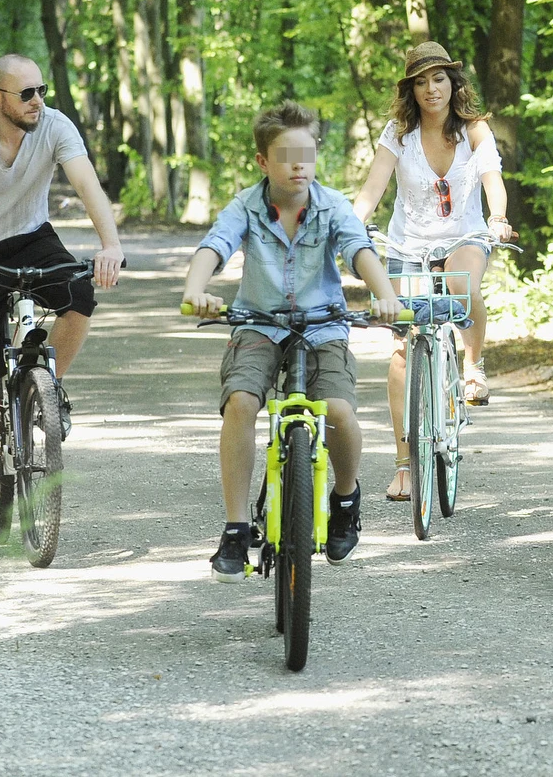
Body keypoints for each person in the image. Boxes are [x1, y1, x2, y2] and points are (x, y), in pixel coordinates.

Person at [182, 100, 401, 580]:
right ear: (263, 161)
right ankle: (236, 528)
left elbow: (358, 250)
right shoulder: (245, 205)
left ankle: (345, 499)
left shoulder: (333, 205)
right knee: (241, 401)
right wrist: (196, 290)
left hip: (322, 324)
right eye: (285, 156)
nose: (299, 165)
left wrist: (385, 296)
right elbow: (214, 247)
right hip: (259, 322)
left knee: (338, 410)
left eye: (307, 154)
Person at [0, 54, 125, 522]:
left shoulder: (54, 126)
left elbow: (88, 185)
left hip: (33, 238)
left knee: (80, 296)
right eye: (27, 93)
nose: (38, 101)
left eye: (42, 90)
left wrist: (111, 245)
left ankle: (48, 390)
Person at [352, 41, 513, 501]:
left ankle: (472, 365)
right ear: (411, 90)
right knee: (402, 350)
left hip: (464, 236)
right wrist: (350, 225)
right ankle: (405, 465)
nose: (431, 89)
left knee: (461, 287)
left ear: (452, 83)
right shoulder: (397, 134)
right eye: (421, 82)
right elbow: (373, 187)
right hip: (407, 244)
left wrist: (498, 219)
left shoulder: (475, 130)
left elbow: (492, 178)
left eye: (438, 79)